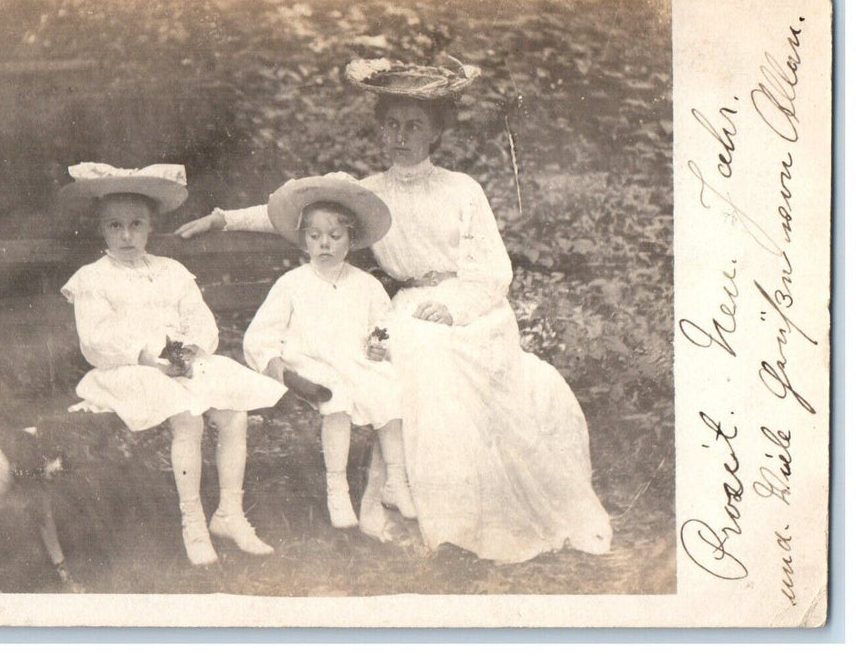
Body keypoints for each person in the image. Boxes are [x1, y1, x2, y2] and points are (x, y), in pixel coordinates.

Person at [175, 60, 613, 564]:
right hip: (406, 305)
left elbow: (493, 271)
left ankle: (444, 502)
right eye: (392, 124)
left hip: (474, 310)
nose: (400, 136)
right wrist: (224, 219)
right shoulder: (369, 192)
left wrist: (455, 307)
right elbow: (298, 212)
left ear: (437, 133)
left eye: (414, 126)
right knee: (408, 347)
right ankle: (410, 500)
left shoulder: (462, 189)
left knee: (438, 349)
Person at [59, 162, 286, 566]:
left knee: (233, 411)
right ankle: (193, 522)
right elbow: (96, 340)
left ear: (151, 227)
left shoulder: (173, 271)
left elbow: (199, 319)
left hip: (179, 364)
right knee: (187, 417)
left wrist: (192, 350)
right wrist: (147, 356)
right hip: (127, 370)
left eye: (136, 224)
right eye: (115, 226)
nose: (127, 235)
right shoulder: (92, 278)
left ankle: (229, 514)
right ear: (101, 229)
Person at [243, 177, 416, 529]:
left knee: (388, 389)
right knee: (336, 397)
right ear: (304, 240)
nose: (325, 244)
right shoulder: (292, 284)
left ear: (351, 240)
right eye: (315, 236)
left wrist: (380, 343)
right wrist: (272, 361)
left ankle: (395, 482)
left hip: (353, 358)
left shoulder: (366, 285)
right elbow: (261, 333)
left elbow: (384, 324)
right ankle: (336, 487)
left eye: (335, 237)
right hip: (309, 362)